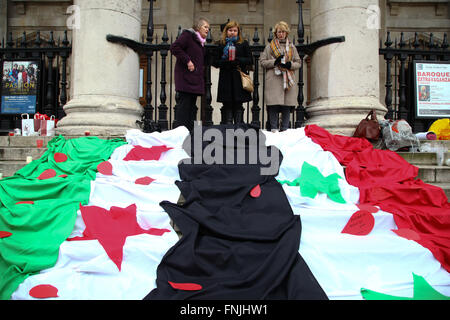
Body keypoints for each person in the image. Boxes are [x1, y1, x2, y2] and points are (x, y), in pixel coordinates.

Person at [260, 21, 301, 132]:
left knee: (287, 106)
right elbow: (262, 62)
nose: (281, 34)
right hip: (274, 80)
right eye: (279, 32)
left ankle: (285, 129)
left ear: (286, 33)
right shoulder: (269, 47)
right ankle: (273, 129)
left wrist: (290, 64)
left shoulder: (292, 47)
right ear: (276, 33)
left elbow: (298, 62)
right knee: (273, 105)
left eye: (283, 32)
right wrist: (274, 62)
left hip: (288, 80)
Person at [170, 17, 210, 131]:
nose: (207, 30)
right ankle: (180, 133)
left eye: (208, 28)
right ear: (198, 27)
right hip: (185, 79)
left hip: (194, 80)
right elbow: (174, 47)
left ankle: (189, 132)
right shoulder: (188, 35)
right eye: (205, 27)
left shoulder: (200, 42)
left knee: (192, 108)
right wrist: (188, 61)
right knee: (184, 108)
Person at [212, 20, 253, 124]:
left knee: (239, 104)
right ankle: (228, 126)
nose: (232, 32)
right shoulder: (221, 44)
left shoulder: (243, 44)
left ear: (238, 32)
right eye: (230, 30)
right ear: (226, 31)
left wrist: (238, 60)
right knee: (227, 104)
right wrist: (225, 62)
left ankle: (239, 126)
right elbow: (215, 62)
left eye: (235, 30)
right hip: (226, 77)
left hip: (238, 77)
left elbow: (250, 60)